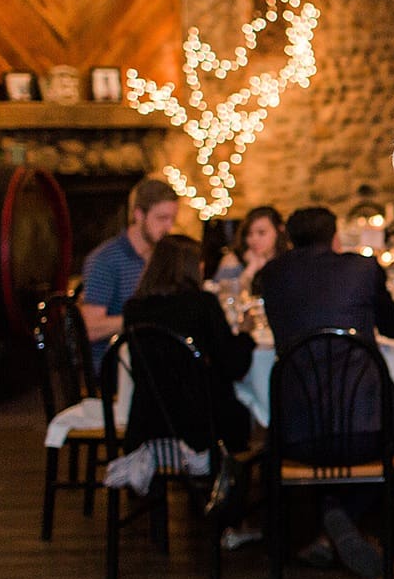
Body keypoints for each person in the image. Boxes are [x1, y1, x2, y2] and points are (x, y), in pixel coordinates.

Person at [253, 206, 394, 579]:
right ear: (334, 236)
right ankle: (342, 514)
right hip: (368, 432)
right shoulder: (362, 268)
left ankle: (327, 519)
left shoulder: (270, 275)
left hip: (296, 435)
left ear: (288, 240)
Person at [121, 234, 255, 455]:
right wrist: (244, 335)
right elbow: (233, 366)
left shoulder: (134, 308)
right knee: (241, 412)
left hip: (149, 421)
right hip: (203, 424)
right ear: (194, 267)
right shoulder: (202, 304)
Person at [80, 177, 179, 369]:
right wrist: (149, 317)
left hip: (152, 354)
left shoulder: (163, 254)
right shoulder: (105, 260)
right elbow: (90, 328)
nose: (169, 227)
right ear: (139, 214)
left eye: (172, 219)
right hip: (116, 363)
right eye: (161, 218)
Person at [212, 205, 288, 293]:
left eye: (261, 233)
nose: (254, 240)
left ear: (279, 230)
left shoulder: (288, 260)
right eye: (249, 234)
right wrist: (251, 269)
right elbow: (223, 296)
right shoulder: (233, 260)